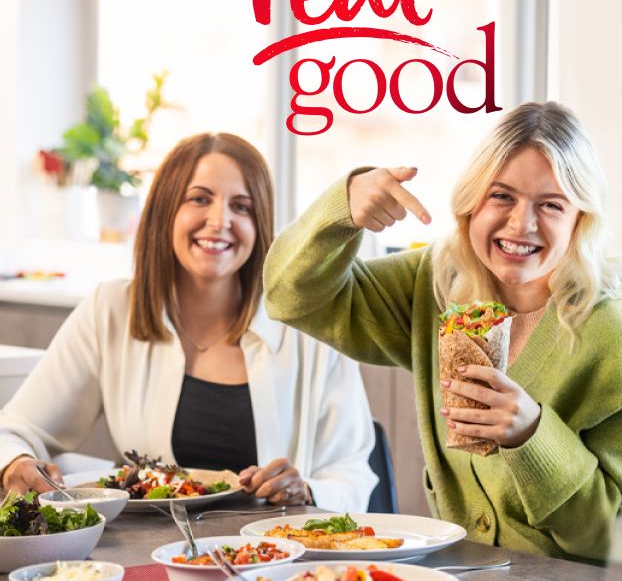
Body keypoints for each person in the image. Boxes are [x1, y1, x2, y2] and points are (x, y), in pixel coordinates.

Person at [263, 102, 622, 562]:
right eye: (501, 196)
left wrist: (533, 438)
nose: (520, 224)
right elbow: (291, 295)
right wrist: (342, 207)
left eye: (550, 204)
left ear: (580, 219)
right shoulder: (438, 284)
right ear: (471, 202)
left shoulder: (621, 336)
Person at [0, 133, 376, 510]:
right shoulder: (111, 310)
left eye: (242, 207)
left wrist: (306, 490)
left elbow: (352, 473)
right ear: (165, 211)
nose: (220, 221)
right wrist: (15, 464)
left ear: (260, 225)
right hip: (148, 555)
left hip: (277, 555)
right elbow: (13, 430)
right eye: (199, 199)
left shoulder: (310, 325)